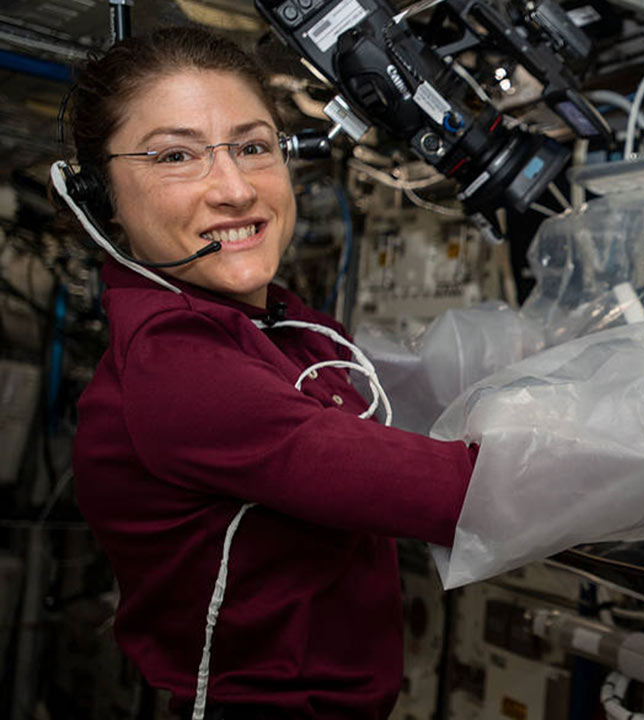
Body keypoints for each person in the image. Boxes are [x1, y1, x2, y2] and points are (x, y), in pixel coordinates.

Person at [61, 26, 476, 718]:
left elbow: (389, 408)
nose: (234, 189)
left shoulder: (277, 325)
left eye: (253, 147)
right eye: (176, 156)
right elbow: (456, 493)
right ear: (103, 198)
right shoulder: (180, 369)